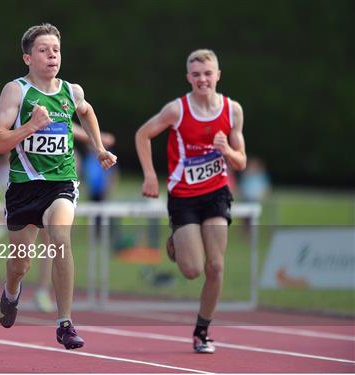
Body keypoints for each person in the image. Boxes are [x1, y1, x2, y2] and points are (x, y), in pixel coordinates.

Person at [0, 23, 117, 350]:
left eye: (56, 50)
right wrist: (30, 126)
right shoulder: (15, 91)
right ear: (28, 58)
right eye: (44, 50)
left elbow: (86, 113)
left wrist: (98, 147)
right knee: (21, 264)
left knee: (60, 237)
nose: (52, 56)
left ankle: (65, 323)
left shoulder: (71, 91)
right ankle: (11, 290)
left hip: (61, 182)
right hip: (23, 186)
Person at [135, 49, 246, 354]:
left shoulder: (232, 110)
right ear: (189, 78)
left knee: (216, 266)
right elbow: (143, 134)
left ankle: (202, 331)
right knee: (192, 270)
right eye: (196, 74)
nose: (202, 79)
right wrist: (149, 175)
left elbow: (241, 162)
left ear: (218, 75)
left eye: (208, 73)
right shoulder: (177, 110)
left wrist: (227, 152)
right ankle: (178, 243)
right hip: (184, 196)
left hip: (216, 193)